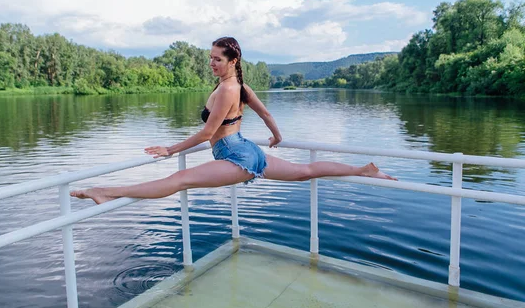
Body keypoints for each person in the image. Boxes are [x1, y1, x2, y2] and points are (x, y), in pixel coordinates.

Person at [71, 37, 395, 204]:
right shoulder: (239, 85)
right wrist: (277, 136)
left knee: (178, 180)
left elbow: (208, 132)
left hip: (234, 155)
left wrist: (171, 148)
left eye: (217, 58)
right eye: (210, 57)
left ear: (232, 60)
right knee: (304, 172)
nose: (211, 62)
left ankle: (105, 191)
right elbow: (266, 113)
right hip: (247, 149)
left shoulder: (228, 89)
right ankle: (362, 169)